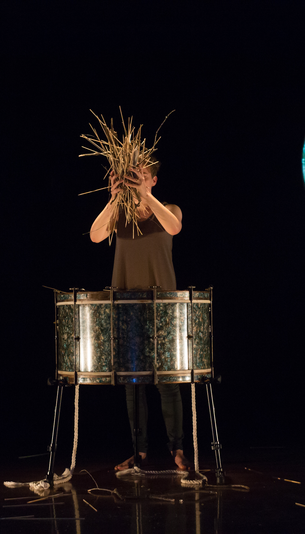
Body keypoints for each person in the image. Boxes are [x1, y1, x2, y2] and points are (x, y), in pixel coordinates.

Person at [89, 162, 191, 471]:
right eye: (131, 176)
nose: (136, 180)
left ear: (154, 180)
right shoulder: (119, 215)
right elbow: (95, 236)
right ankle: (139, 451)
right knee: (132, 383)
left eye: (142, 175)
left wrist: (145, 196)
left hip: (162, 306)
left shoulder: (168, 209)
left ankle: (177, 450)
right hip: (127, 305)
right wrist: (113, 198)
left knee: (167, 382)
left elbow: (174, 227)